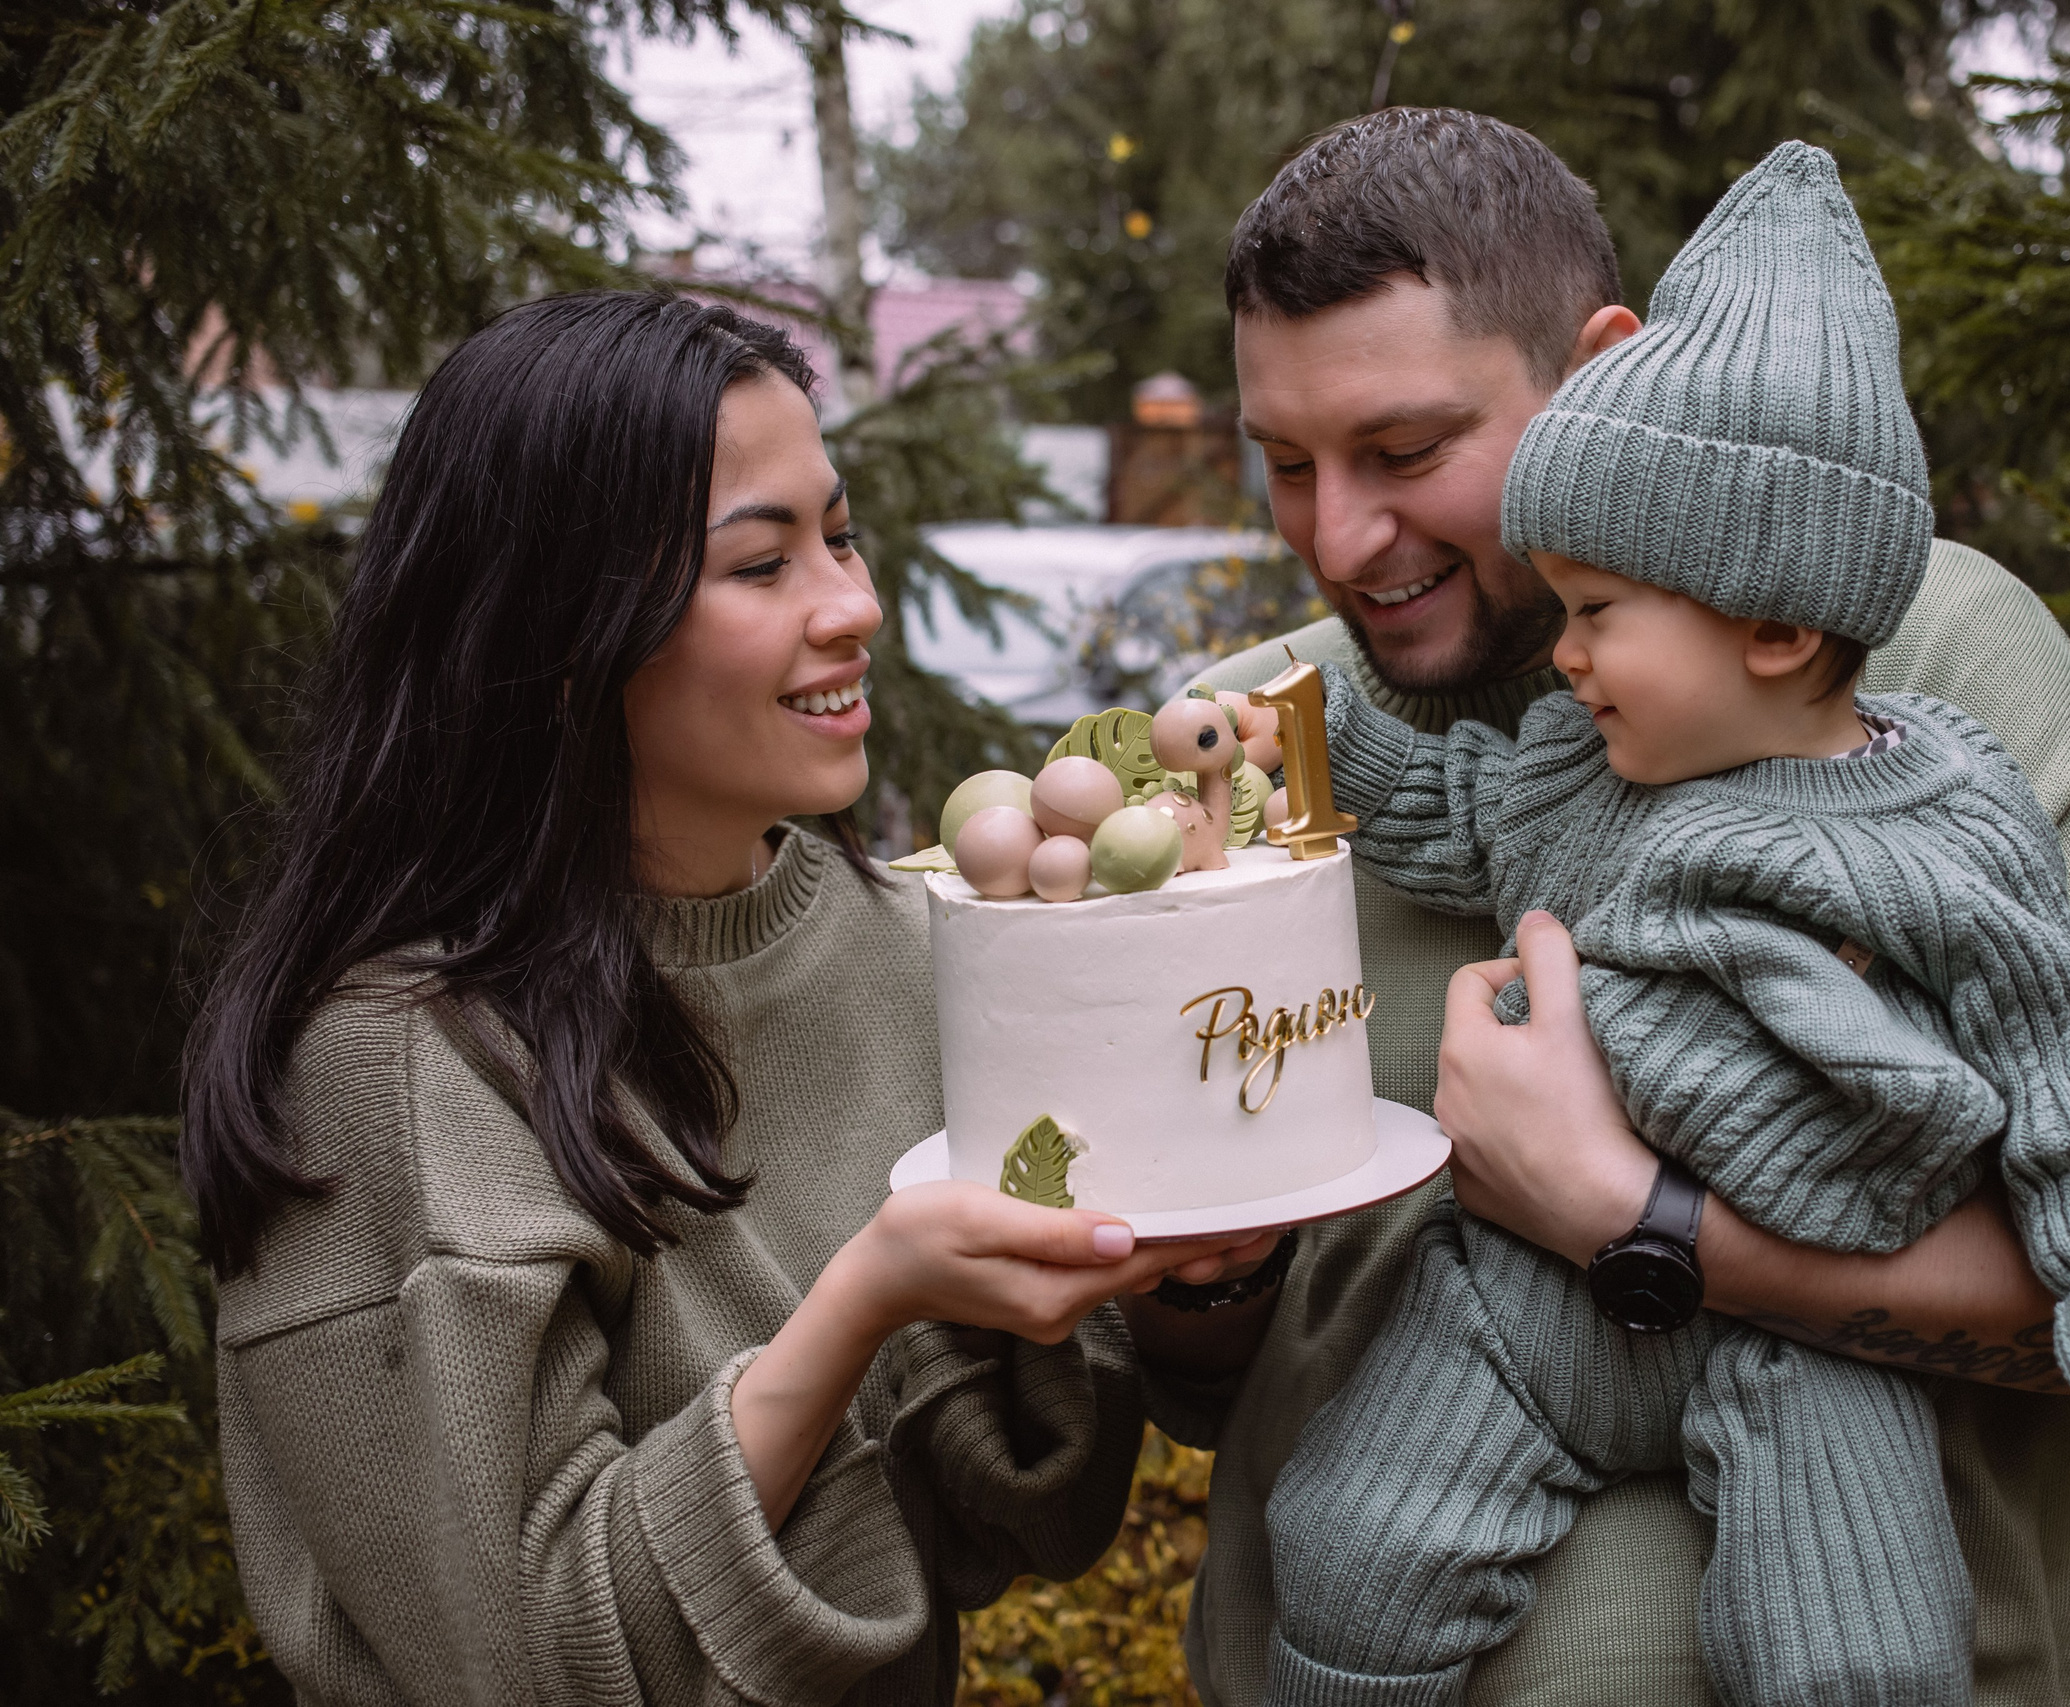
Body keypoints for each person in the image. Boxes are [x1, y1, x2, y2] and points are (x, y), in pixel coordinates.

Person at [1173, 109, 2070, 1705]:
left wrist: (1641, 1226)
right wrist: (1194, 1280)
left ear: (1605, 367)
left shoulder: (1939, 680)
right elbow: (1168, 1381)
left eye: (1409, 451)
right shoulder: (1254, 744)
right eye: (1285, 465)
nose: (1340, 535)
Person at [181, 292, 1262, 1706]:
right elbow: (523, 1665)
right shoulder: (389, 1064)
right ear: (565, 633)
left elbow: (1030, 1503)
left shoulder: (908, 944)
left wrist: (1195, 1264)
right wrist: (864, 1303)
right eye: (763, 565)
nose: (854, 605)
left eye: (843, 534)